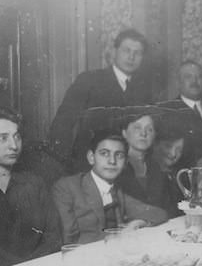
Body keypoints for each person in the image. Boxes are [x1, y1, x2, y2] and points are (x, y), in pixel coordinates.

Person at [0, 108, 62, 266]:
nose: (14, 146)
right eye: (3, 138)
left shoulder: (34, 184)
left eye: (17, 136)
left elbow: (53, 238)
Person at [48, 29, 152, 165]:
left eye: (137, 53)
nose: (131, 57)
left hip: (127, 167)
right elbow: (62, 124)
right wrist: (66, 162)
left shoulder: (144, 90)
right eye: (126, 50)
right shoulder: (89, 80)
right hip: (89, 165)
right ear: (114, 52)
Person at [52, 130, 168, 244]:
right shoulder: (67, 187)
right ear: (91, 157)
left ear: (126, 162)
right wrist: (117, 236)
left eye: (119, 155)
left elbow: (159, 214)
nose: (112, 161)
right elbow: (69, 239)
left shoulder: (117, 190)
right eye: (104, 153)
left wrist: (138, 222)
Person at [156, 61, 202, 168]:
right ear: (178, 83)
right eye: (188, 77)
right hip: (182, 177)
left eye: (198, 77)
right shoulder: (167, 111)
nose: (194, 81)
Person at [114, 112, 159, 206]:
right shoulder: (115, 165)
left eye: (149, 129)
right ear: (124, 133)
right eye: (137, 128)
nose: (143, 133)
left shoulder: (156, 167)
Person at [148, 119, 187, 218]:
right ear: (155, 144)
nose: (173, 154)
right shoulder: (148, 172)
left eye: (179, 149)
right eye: (168, 146)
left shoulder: (176, 174)